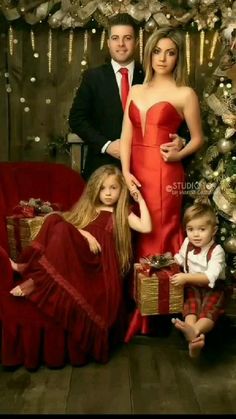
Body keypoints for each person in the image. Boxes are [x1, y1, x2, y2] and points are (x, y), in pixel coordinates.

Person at [9, 165, 152, 365]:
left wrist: (139, 199)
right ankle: (31, 274)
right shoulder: (90, 208)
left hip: (99, 264)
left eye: (113, 188)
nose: (108, 193)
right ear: (96, 190)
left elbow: (146, 226)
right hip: (79, 256)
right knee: (54, 221)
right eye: (103, 188)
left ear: (121, 190)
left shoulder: (122, 213)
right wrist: (85, 234)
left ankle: (34, 279)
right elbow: (68, 223)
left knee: (60, 228)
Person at [120, 26, 204, 259]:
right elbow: (126, 136)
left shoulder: (185, 94)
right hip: (135, 171)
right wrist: (125, 173)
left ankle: (164, 287)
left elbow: (198, 139)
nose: (163, 58)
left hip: (165, 171)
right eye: (157, 51)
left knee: (160, 227)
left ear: (178, 57)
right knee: (137, 227)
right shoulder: (135, 90)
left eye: (170, 52)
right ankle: (140, 289)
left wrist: (178, 155)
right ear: (149, 54)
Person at [68, 14, 184, 180]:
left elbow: (177, 118)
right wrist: (107, 145)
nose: (121, 44)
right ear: (108, 43)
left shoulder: (150, 76)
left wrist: (181, 141)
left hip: (146, 170)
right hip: (102, 170)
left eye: (127, 38)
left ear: (136, 42)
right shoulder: (93, 77)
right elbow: (76, 119)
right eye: (115, 38)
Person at [171, 203, 226, 358]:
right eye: (190, 229)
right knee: (190, 306)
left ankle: (194, 331)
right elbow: (180, 259)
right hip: (193, 286)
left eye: (202, 229)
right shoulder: (188, 243)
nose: (196, 234)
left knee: (208, 311)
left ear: (213, 231)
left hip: (213, 287)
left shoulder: (217, 251)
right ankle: (193, 340)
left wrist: (185, 277)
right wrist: (170, 262)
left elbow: (209, 277)